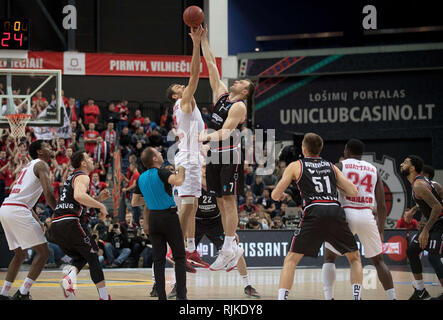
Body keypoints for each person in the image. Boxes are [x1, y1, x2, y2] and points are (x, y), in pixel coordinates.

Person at [271, 133, 363, 300]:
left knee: (291, 260)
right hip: (334, 211)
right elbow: (353, 191)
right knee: (355, 258)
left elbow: (275, 195)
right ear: (320, 149)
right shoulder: (331, 166)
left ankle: (282, 298)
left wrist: (280, 195)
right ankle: (357, 297)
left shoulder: (295, 165)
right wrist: (335, 188)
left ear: (303, 149)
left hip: (314, 210)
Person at [198, 24, 255, 270]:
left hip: (228, 154)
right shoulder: (222, 94)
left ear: (244, 91)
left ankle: (229, 246)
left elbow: (225, 132)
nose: (238, 80)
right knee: (219, 201)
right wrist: (202, 40)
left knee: (229, 201)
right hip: (213, 155)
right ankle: (230, 248)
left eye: (242, 81)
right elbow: (211, 64)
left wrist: (203, 137)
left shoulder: (240, 106)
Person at [169, 164, 260, 298]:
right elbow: (187, 210)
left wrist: (230, 232)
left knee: (235, 250)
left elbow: (226, 210)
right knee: (181, 252)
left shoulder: (216, 182)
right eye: (203, 167)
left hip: (216, 221)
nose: (205, 170)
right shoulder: (192, 183)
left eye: (207, 167)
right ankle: (177, 285)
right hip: (196, 221)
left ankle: (247, 285)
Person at [321, 139, 397, 300]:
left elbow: (326, 192)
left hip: (345, 213)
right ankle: (393, 298)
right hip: (366, 215)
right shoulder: (373, 170)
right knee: (378, 261)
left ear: (347, 150)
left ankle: (329, 298)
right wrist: (381, 230)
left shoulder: (340, 165)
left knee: (329, 257)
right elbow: (382, 206)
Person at [164, 26, 208, 269]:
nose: (182, 87)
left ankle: (190, 249)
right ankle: (176, 249)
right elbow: (195, 74)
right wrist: (196, 45)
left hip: (191, 158)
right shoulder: (185, 102)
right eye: (177, 89)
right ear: (174, 97)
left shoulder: (183, 107)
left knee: (192, 208)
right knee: (188, 208)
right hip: (189, 159)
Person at [49, 150, 111, 300]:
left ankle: (69, 279)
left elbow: (78, 202)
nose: (91, 159)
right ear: (83, 163)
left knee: (83, 255)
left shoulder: (71, 178)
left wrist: (97, 200)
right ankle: (104, 296)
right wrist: (101, 207)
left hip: (56, 225)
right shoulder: (82, 176)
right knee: (93, 255)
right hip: (70, 222)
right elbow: (79, 196)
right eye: (88, 157)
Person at [0, 140, 56, 300]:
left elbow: (22, 198)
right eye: (46, 146)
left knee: (20, 254)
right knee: (44, 252)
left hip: (7, 208)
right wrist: (59, 211)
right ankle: (23, 293)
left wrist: (37, 220)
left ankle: (4, 293)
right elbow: (49, 194)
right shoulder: (42, 165)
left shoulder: (28, 166)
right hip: (17, 209)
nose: (50, 147)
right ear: (39, 152)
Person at [131, 147, 187, 300]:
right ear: (155, 159)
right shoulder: (161, 172)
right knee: (180, 257)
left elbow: (135, 201)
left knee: (159, 260)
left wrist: (150, 198)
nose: (161, 154)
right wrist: (182, 166)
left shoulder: (141, 178)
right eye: (158, 153)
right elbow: (179, 181)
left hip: (153, 219)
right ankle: (182, 297)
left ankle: (161, 297)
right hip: (168, 217)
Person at [400, 155, 443, 300]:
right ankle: (420, 291)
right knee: (412, 251)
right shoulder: (424, 183)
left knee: (433, 256)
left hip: (439, 225)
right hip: (432, 224)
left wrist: (425, 230)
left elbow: (437, 206)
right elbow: (434, 200)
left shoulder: (419, 185)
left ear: (412, 168)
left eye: (405, 163)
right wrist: (418, 213)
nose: (401, 164)